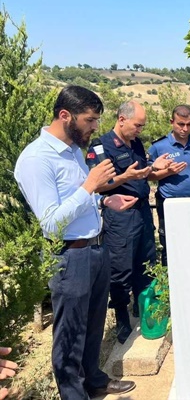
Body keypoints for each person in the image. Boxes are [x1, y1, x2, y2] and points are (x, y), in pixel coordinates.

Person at [14, 86, 137, 399]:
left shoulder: (72, 150)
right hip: (69, 256)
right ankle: (73, 394)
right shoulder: (36, 159)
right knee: (70, 334)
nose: (95, 127)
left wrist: (102, 202)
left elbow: (79, 199)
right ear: (64, 115)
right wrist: (90, 185)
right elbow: (52, 223)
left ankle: (94, 380)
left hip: (96, 248)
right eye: (90, 119)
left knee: (94, 324)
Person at [89, 101, 169, 344]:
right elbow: (97, 185)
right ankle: (122, 318)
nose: (140, 130)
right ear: (121, 119)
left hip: (143, 211)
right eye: (137, 125)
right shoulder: (100, 146)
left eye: (142, 126)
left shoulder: (135, 143)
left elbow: (142, 172)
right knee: (121, 267)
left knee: (146, 262)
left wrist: (155, 168)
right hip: (120, 215)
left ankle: (143, 310)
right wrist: (125, 176)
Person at [148, 105, 190, 265]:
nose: (185, 129)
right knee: (170, 246)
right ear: (172, 122)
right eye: (180, 124)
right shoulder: (158, 146)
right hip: (169, 202)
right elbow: (147, 175)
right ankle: (168, 286)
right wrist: (168, 172)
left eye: (189, 124)